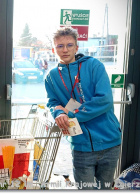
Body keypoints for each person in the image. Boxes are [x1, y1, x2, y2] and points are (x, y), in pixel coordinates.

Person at [45, 27, 121, 190]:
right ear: (54, 49)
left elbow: (105, 100)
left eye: (69, 45)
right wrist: (58, 112)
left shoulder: (94, 65)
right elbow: (52, 102)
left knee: (104, 189)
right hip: (80, 144)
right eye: (60, 46)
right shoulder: (51, 76)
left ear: (77, 47)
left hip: (109, 141)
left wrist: (73, 114)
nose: (65, 50)